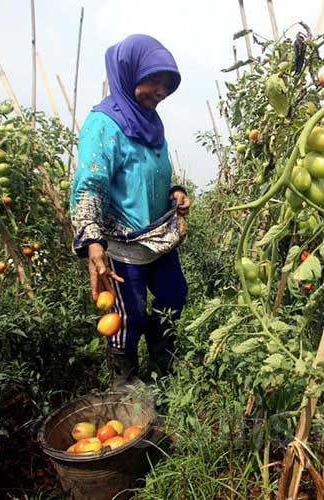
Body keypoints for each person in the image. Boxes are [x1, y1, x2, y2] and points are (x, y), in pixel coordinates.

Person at [70, 34, 190, 390]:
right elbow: (90, 185)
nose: (161, 92)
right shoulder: (103, 124)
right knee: (127, 314)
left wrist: (175, 192)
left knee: (173, 296)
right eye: (154, 80)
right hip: (122, 244)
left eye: (166, 85)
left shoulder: (153, 126)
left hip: (157, 238)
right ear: (128, 72)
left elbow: (154, 174)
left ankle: (162, 361)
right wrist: (93, 243)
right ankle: (126, 382)